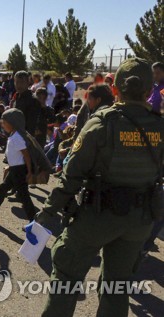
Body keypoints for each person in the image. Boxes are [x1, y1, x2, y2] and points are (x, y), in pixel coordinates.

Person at [33, 58, 164, 317]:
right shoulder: (159, 125)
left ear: (115, 88)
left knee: (66, 278)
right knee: (117, 287)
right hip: (139, 221)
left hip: (98, 215)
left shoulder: (102, 122)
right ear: (150, 90)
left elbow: (71, 176)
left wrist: (47, 214)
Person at [0, 109, 37, 222]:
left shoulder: (18, 137)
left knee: (24, 197)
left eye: (4, 123)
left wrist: (29, 172)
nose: (3, 125)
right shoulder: (14, 135)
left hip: (19, 171)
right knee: (3, 189)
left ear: (13, 123)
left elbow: (26, 155)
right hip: (15, 169)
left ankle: (34, 223)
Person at [14, 71, 42, 138]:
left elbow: (31, 126)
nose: (19, 85)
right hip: (16, 136)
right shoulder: (17, 97)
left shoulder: (33, 100)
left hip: (24, 139)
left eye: (22, 82)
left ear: (28, 82)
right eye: (17, 82)